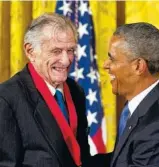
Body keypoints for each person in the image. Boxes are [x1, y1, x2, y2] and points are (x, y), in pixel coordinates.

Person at [0, 13, 91, 167]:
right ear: (30, 51)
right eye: (56, 51)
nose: (66, 60)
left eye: (70, 50)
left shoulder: (76, 91)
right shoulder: (7, 98)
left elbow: (82, 158)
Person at [103, 22, 159, 167]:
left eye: (112, 59)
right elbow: (121, 159)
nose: (105, 65)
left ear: (138, 66)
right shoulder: (141, 103)